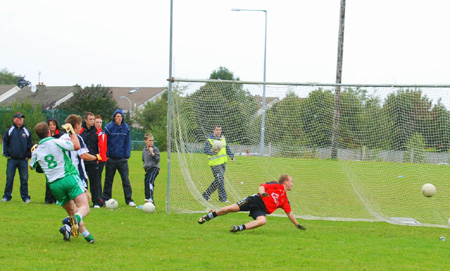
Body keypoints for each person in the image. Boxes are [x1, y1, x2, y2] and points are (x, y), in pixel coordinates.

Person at [29, 121, 95, 243]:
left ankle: (87, 236)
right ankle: (74, 220)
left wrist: (33, 152)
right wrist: (72, 133)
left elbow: (32, 166)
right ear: (49, 131)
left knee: (72, 211)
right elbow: (76, 146)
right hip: (68, 177)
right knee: (84, 207)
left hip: (54, 185)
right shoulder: (56, 141)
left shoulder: (37, 150)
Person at [198, 174, 307, 233]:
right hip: (254, 200)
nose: (292, 184)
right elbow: (261, 187)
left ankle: (238, 228)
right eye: (291, 181)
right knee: (231, 208)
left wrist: (297, 225)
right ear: (285, 182)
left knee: (262, 221)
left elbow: (290, 213)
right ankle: (208, 216)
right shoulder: (275, 185)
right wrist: (263, 193)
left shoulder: (285, 200)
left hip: (261, 210)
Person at [103, 108, 136, 206]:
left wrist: (126, 156)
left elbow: (127, 142)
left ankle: (129, 200)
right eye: (117, 116)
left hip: (122, 159)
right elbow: (105, 142)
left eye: (120, 116)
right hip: (111, 159)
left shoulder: (126, 128)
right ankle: (106, 199)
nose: (119, 118)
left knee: (126, 180)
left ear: (122, 117)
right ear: (114, 117)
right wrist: (107, 155)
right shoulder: (109, 127)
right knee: (108, 180)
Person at [2, 112, 33, 203]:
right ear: (14, 119)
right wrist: (7, 154)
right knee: (10, 179)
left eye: (22, 118)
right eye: (19, 118)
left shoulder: (26, 131)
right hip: (12, 159)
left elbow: (30, 145)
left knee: (24, 179)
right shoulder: (10, 130)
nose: (21, 120)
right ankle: (7, 196)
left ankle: (25, 197)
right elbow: (5, 143)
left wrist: (28, 155)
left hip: (23, 160)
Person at [202, 125, 235, 202]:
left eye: (220, 130)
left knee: (218, 180)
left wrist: (231, 156)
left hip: (223, 163)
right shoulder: (209, 140)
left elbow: (226, 148)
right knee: (220, 179)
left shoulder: (223, 138)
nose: (218, 131)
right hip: (215, 163)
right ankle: (223, 198)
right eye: (217, 130)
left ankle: (205, 195)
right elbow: (206, 150)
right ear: (213, 130)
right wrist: (213, 152)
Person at [79, 112, 103, 208]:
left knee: (95, 182)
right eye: (90, 119)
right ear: (85, 120)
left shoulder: (96, 133)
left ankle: (96, 202)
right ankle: (84, 202)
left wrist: (98, 158)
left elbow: (100, 147)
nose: (92, 121)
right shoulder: (81, 132)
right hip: (83, 161)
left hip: (93, 160)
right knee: (83, 183)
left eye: (93, 119)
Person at [44, 117, 65, 204]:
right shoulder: (46, 135)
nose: (52, 126)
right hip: (49, 160)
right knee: (49, 179)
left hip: (58, 160)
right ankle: (48, 198)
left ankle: (58, 198)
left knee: (58, 180)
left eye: (53, 124)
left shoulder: (61, 135)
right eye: (50, 125)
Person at [142, 133, 160, 204]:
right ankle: (147, 199)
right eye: (150, 140)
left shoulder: (155, 149)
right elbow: (143, 159)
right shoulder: (144, 150)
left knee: (150, 181)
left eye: (152, 141)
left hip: (154, 168)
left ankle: (150, 199)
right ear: (145, 141)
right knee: (146, 182)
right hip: (148, 169)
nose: (151, 142)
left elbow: (158, 159)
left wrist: (152, 153)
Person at [95, 115, 107, 181]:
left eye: (100, 122)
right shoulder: (93, 133)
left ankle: (99, 191)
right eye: (97, 122)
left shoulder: (104, 133)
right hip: (95, 158)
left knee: (99, 177)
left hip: (103, 158)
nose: (99, 124)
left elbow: (104, 145)